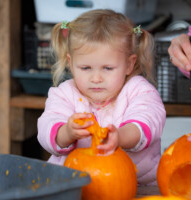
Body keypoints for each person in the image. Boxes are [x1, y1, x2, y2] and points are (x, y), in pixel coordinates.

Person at [37, 9, 166, 186]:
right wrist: (66, 132)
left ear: (129, 64)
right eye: (86, 68)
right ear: (71, 64)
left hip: (136, 187)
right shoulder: (63, 94)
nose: (96, 78)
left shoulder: (140, 91)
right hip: (72, 185)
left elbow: (147, 121)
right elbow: (46, 127)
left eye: (107, 68)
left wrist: (119, 137)